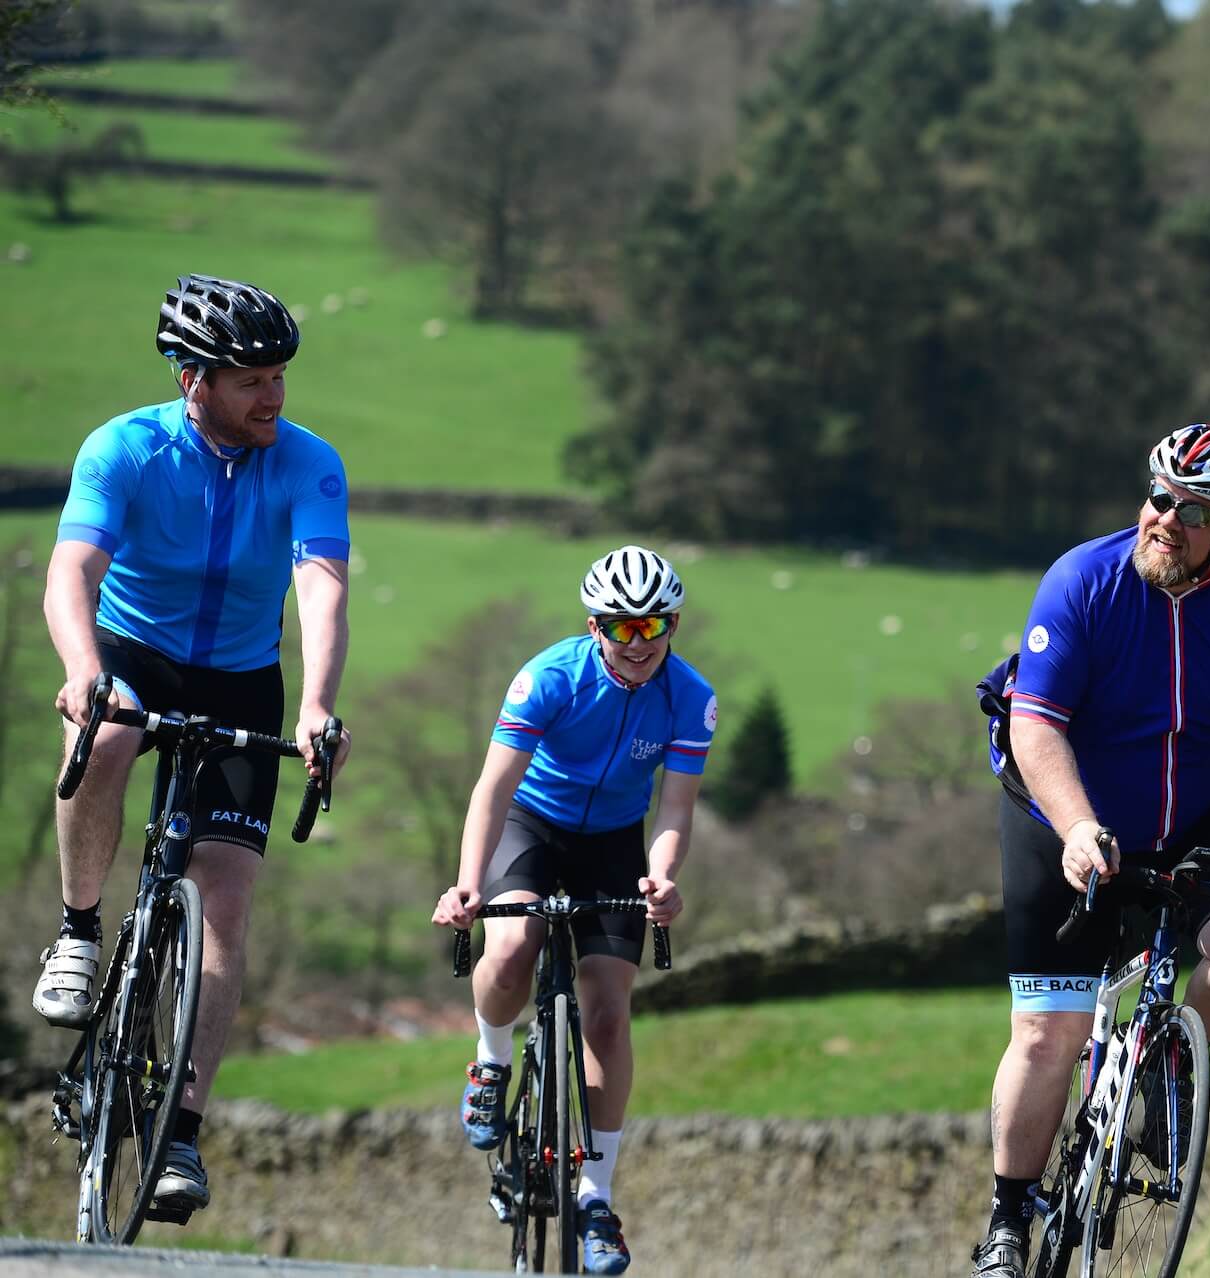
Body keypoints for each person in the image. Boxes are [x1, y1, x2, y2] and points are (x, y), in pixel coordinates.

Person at [968, 424, 1210, 1277]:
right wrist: (1074, 828)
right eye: (1158, 494)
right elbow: (1036, 724)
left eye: (1192, 510)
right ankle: (1008, 1220)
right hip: (1058, 810)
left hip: (1193, 811)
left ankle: (1157, 1067)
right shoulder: (1083, 580)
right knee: (1048, 1033)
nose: (1164, 518)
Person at [34, 274, 353, 1218]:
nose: (274, 396)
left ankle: (179, 1132)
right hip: (131, 653)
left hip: (244, 675)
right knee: (101, 739)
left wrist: (321, 704)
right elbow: (71, 570)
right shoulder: (124, 447)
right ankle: (80, 931)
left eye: (281, 375)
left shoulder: (309, 461)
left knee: (224, 895)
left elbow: (322, 585)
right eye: (252, 378)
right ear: (194, 380)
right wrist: (83, 665)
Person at [431, 544, 717, 1277]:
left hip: (615, 844)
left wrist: (661, 878)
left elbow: (676, 809)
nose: (641, 643)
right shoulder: (548, 679)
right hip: (533, 826)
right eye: (622, 629)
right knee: (513, 944)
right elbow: (492, 792)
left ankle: (596, 1199)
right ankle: (492, 1062)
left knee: (609, 1015)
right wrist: (468, 884)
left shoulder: (691, 697)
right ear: (594, 627)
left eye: (657, 625)